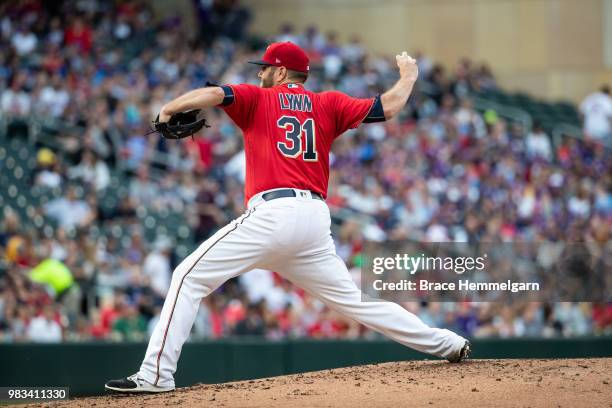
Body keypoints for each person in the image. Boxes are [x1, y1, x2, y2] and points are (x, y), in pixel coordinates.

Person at [105, 42, 470, 393]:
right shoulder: (328, 103)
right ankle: (447, 344)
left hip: (273, 214)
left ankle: (156, 375)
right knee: (358, 302)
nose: (261, 73)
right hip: (313, 220)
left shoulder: (258, 97)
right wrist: (408, 76)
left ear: (280, 72)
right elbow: (388, 107)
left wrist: (168, 109)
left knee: (187, 276)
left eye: (264, 67)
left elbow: (216, 95)